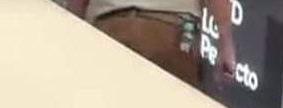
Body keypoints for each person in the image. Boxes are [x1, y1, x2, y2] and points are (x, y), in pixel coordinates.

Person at [67, 0, 235, 87]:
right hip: (167, 35)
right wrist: (225, 43)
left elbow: (76, 4)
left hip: (106, 30)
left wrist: (70, 33)